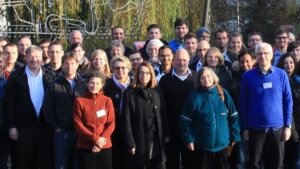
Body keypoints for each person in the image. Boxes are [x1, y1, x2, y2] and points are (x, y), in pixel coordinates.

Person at [239, 42, 293, 169]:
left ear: (272, 55)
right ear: (256, 57)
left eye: (266, 53)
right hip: (255, 128)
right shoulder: (247, 76)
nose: (263, 56)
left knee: (278, 164)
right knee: (255, 164)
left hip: (277, 128)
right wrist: (245, 127)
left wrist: (287, 126)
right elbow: (243, 103)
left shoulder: (281, 75)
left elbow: (288, 101)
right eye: (259, 53)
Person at [179, 67, 240, 169]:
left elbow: (233, 116)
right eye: (202, 77)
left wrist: (235, 135)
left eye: (208, 76)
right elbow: (184, 121)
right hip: (202, 147)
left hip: (222, 146)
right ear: (199, 80)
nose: (206, 79)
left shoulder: (223, 93)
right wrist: (189, 139)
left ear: (213, 77)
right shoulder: (194, 97)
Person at [4, 45, 54, 169]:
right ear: (25, 57)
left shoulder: (50, 76)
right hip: (23, 128)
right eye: (30, 56)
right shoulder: (16, 77)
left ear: (42, 58)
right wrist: (12, 126)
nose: (34, 59)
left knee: (43, 162)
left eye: (37, 56)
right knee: (22, 162)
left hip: (44, 128)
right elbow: (9, 103)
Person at [43, 53, 86, 169]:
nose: (69, 66)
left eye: (72, 63)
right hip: (62, 132)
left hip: (80, 133)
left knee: (77, 165)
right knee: (61, 165)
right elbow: (47, 109)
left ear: (77, 65)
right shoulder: (54, 85)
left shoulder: (84, 84)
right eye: (66, 63)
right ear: (62, 65)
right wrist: (56, 127)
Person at [122, 61, 168, 169]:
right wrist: (130, 142)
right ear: (137, 74)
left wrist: (166, 133)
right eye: (141, 73)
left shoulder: (157, 91)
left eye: (147, 73)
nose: (144, 76)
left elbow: (163, 113)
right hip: (140, 138)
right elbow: (126, 120)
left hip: (157, 138)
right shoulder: (129, 93)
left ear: (151, 74)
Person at [159, 48, 196, 169]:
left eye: (184, 60)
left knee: (191, 161)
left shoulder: (196, 78)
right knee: (172, 162)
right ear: (173, 61)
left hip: (192, 129)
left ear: (189, 61)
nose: (181, 62)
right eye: (178, 60)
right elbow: (161, 106)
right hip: (172, 128)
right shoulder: (165, 80)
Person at [73, 71, 115, 169]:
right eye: (92, 83)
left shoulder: (107, 101)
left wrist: (101, 141)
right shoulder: (79, 101)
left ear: (102, 85)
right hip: (86, 147)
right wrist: (95, 139)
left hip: (104, 147)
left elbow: (111, 123)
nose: (94, 86)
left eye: (97, 83)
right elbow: (78, 124)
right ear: (87, 83)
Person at [103, 56, 132, 169]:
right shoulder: (107, 85)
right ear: (112, 69)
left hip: (130, 128)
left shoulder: (133, 84)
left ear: (128, 68)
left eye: (123, 68)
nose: (120, 70)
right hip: (112, 128)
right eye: (117, 68)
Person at [230, 50, 256, 169]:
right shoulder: (234, 81)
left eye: (247, 61)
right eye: (242, 62)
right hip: (240, 125)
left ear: (253, 61)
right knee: (241, 159)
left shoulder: (260, 77)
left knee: (257, 159)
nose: (244, 64)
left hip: (258, 125)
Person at [277, 54, 299, 169]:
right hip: (285, 122)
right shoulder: (278, 80)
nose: (289, 65)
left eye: (291, 62)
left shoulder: (297, 80)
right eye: (285, 63)